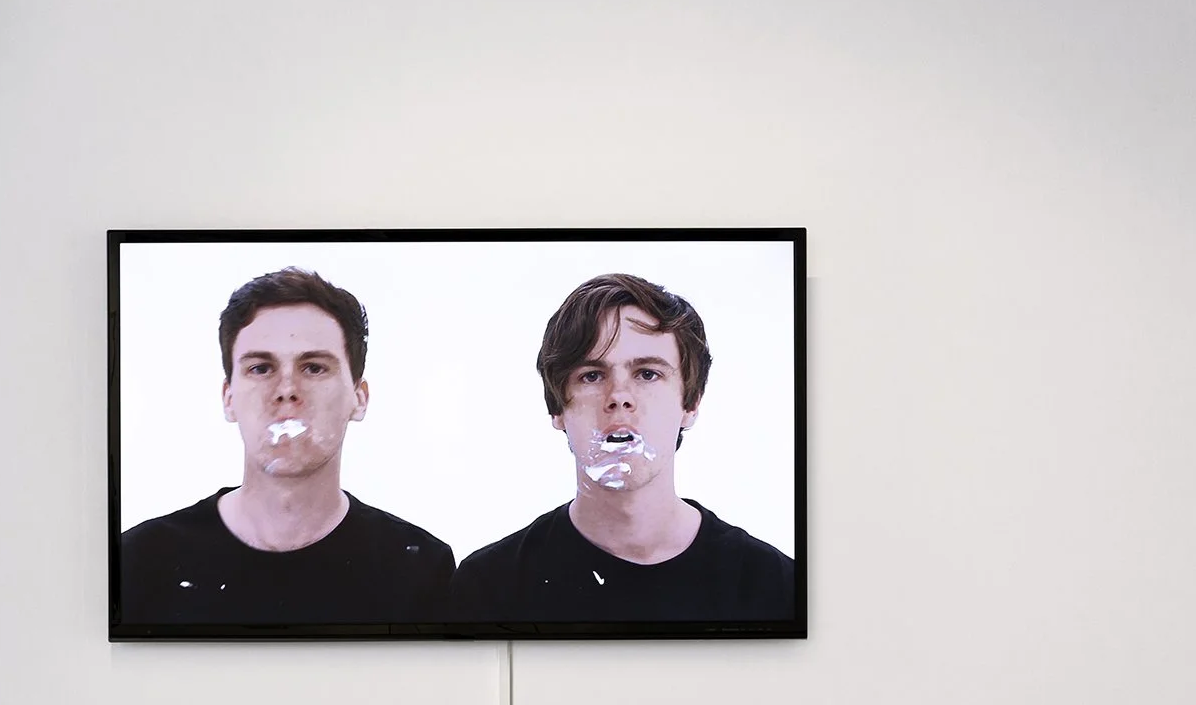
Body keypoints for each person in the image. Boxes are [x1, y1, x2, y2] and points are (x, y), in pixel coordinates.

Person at [118, 267, 454, 627]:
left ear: (359, 398)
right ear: (228, 399)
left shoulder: (418, 569)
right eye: (261, 368)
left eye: (314, 368)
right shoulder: (139, 563)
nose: (287, 389)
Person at [452, 272, 795, 624]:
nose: (618, 397)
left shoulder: (776, 587)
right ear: (557, 409)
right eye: (591, 375)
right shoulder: (488, 587)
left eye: (647, 374)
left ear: (690, 404)